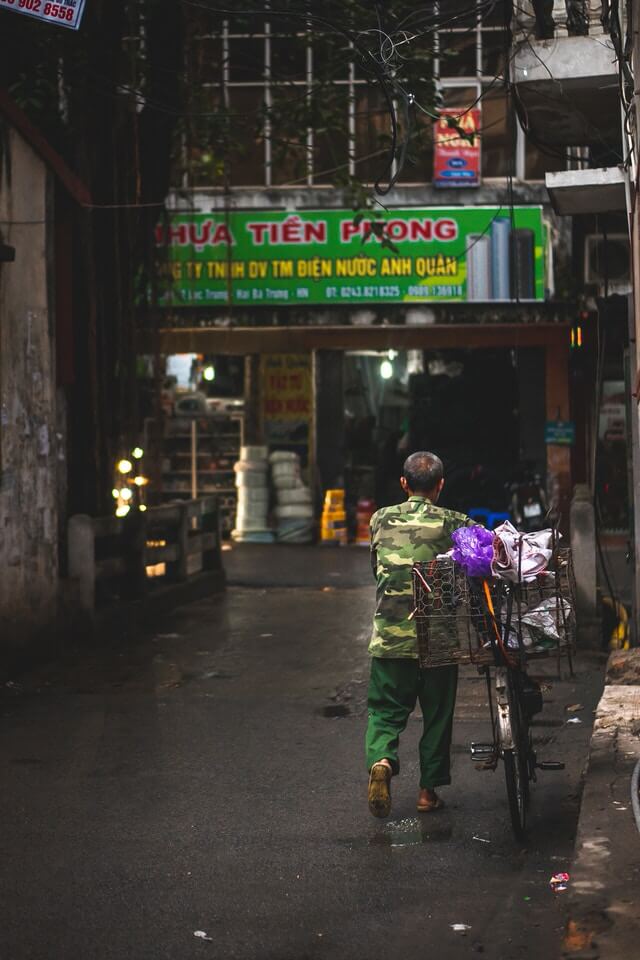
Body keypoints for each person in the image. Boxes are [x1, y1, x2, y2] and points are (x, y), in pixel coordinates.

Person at [366, 450, 472, 818]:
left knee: (385, 711)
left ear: (403, 484)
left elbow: (376, 570)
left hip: (390, 639)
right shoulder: (455, 523)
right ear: (440, 486)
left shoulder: (380, 519)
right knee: (438, 715)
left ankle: (381, 759)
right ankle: (427, 794)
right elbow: (475, 563)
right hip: (437, 641)